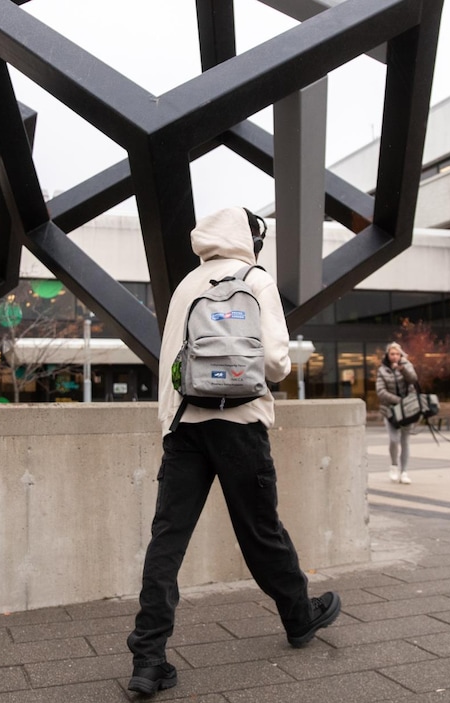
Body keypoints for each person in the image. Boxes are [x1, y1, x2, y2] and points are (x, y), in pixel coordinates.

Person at [126, 207, 341, 695]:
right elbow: (273, 361)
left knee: (168, 540)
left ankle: (148, 657)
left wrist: (170, 427)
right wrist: (274, 370)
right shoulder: (256, 279)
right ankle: (299, 616)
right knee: (261, 530)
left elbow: (169, 364)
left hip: (186, 427)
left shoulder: (186, 285)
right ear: (252, 239)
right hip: (240, 425)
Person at [376, 341, 417, 484]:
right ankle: (394, 466)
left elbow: (413, 379)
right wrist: (398, 400)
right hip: (390, 411)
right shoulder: (382, 370)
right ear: (388, 355)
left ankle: (404, 471)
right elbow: (380, 391)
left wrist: (402, 370)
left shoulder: (406, 365)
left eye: (397, 354)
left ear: (401, 355)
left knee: (405, 441)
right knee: (394, 439)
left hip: (407, 410)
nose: (395, 356)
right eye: (392, 354)